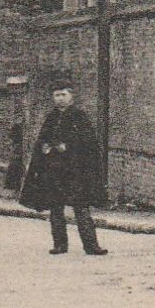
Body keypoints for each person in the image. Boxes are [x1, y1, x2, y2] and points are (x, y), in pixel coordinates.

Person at [18, 78, 108, 256]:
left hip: (75, 172)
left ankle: (91, 246)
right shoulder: (51, 118)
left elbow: (89, 144)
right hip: (54, 172)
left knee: (81, 208)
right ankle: (60, 245)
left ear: (71, 96)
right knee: (56, 209)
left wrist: (68, 147)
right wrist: (44, 147)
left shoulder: (79, 117)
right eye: (56, 95)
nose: (59, 98)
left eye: (63, 95)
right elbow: (42, 141)